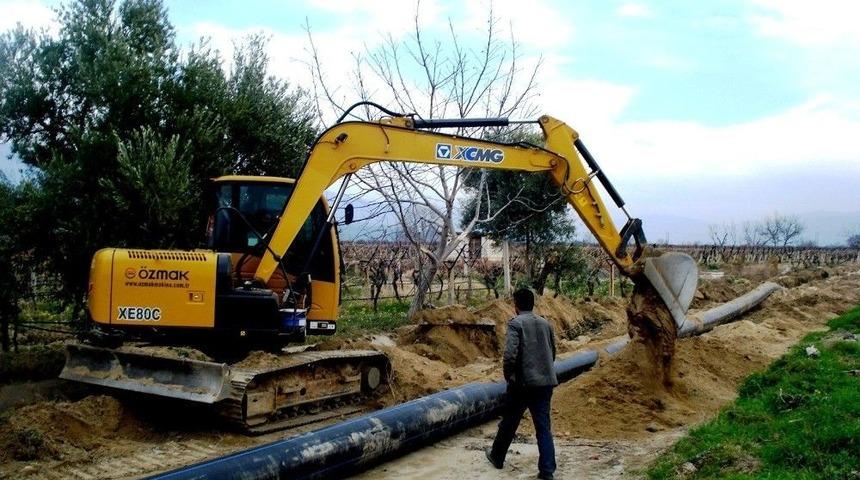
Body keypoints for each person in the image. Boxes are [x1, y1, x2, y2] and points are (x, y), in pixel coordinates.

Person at [486, 288, 558, 479]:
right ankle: (547, 470)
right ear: (532, 304)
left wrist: (509, 377)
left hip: (523, 384)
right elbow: (552, 352)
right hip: (545, 383)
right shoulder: (545, 324)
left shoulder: (516, 324)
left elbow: (510, 355)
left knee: (509, 422)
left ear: (515, 305)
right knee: (543, 427)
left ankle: (497, 456)